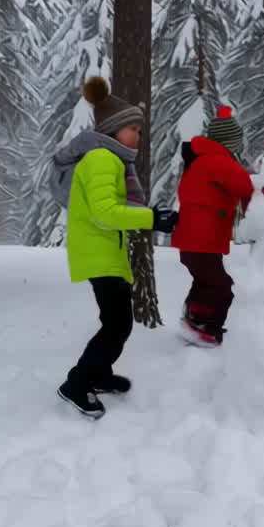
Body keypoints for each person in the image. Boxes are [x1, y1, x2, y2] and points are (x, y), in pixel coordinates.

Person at [54, 76, 177, 418]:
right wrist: (151, 218)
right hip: (99, 253)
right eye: (133, 128)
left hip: (104, 252)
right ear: (112, 129)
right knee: (117, 324)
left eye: (139, 129)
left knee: (115, 322)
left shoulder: (108, 159)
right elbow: (105, 213)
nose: (138, 135)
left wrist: (150, 218)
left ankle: (98, 374)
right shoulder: (101, 159)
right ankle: (77, 383)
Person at [172, 105, 254, 347]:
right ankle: (205, 329)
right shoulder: (219, 162)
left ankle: (194, 320)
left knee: (205, 282)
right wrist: (260, 213)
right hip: (202, 240)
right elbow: (246, 187)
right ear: (230, 142)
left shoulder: (202, 160)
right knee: (221, 287)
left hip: (193, 240)